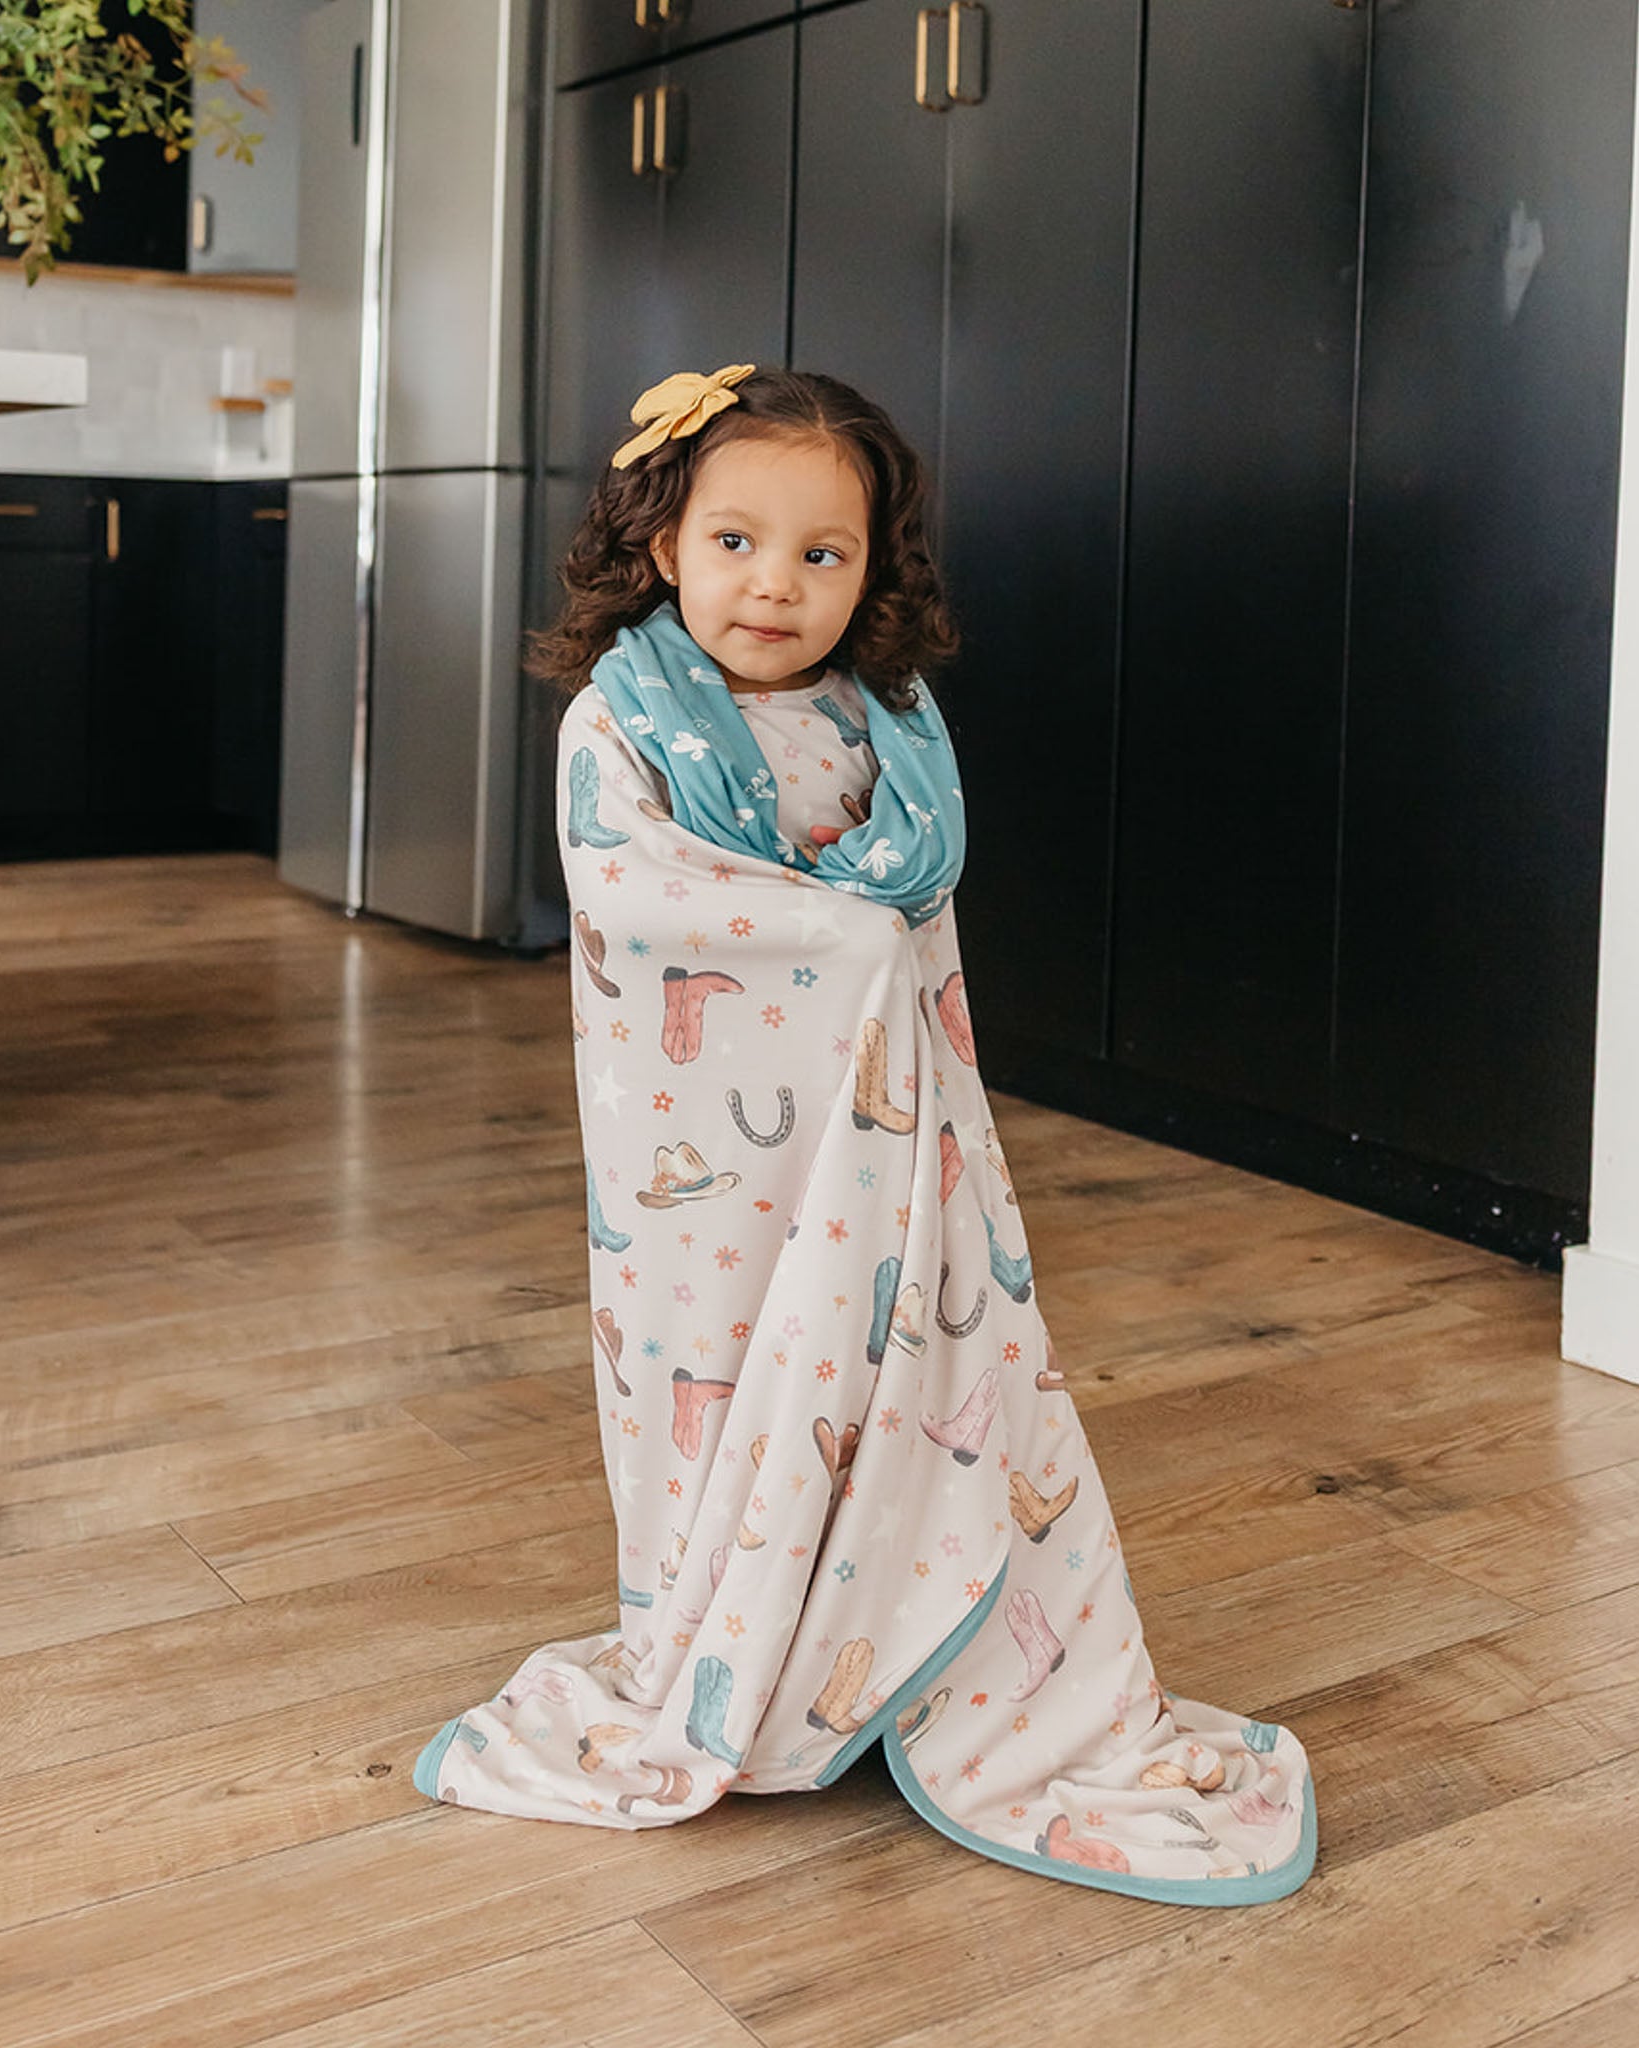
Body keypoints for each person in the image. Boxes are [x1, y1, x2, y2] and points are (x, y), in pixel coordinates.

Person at [414, 364, 1316, 1901]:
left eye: (822, 554)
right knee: (718, 1375)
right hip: (709, 1172)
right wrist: (842, 934)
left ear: (871, 571)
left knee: (921, 1362)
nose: (775, 584)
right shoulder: (623, 720)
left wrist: (867, 950)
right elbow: (639, 896)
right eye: (736, 543)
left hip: (891, 1144)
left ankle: (916, 1620)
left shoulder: (888, 726)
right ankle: (736, 1646)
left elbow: (916, 921)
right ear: (664, 544)